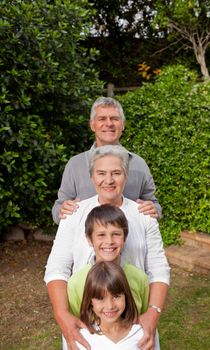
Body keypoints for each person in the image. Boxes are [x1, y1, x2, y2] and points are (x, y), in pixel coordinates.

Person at [44, 145, 170, 350]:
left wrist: (153, 313)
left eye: (116, 173)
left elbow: (159, 271)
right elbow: (56, 269)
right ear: (92, 177)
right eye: (101, 173)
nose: (109, 180)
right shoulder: (74, 214)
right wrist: (62, 315)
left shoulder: (144, 215)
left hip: (134, 323)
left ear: (125, 176)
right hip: (85, 325)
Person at [52, 96, 162, 224]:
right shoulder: (75, 164)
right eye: (102, 119)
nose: (109, 123)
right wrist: (61, 210)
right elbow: (58, 208)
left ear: (123, 125)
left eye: (114, 119)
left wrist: (154, 210)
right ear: (92, 125)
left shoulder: (139, 164)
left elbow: (154, 205)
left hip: (131, 240)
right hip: (84, 241)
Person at [66, 204, 160, 350]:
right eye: (101, 235)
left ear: (125, 238)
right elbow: (75, 327)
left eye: (116, 234)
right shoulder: (76, 283)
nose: (109, 241)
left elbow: (144, 322)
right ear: (89, 239)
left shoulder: (139, 278)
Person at [63, 261, 144, 350]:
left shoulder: (143, 334)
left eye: (116, 296)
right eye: (100, 298)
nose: (110, 306)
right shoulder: (81, 338)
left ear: (126, 295)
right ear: (90, 301)